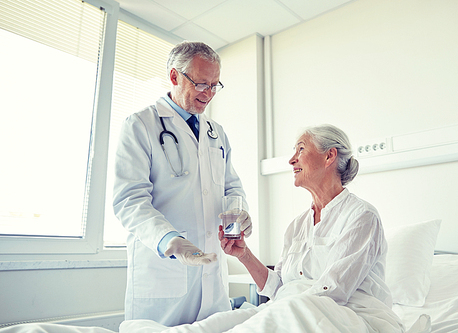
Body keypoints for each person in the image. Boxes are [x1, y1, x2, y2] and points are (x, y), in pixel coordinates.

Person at [118, 124, 406, 333]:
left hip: (351, 317)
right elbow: (278, 286)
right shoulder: (298, 226)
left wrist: (275, 309)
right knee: (220, 322)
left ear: (329, 156)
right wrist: (243, 255)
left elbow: (334, 292)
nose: (291, 159)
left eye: (301, 150)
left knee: (274, 312)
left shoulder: (361, 216)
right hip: (296, 306)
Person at [113, 41, 252, 326]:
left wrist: (238, 212)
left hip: (212, 277)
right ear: (175, 77)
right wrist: (169, 240)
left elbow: (231, 187)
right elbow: (129, 200)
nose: (209, 94)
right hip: (164, 273)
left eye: (215, 85)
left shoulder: (216, 133)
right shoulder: (141, 125)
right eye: (201, 83)